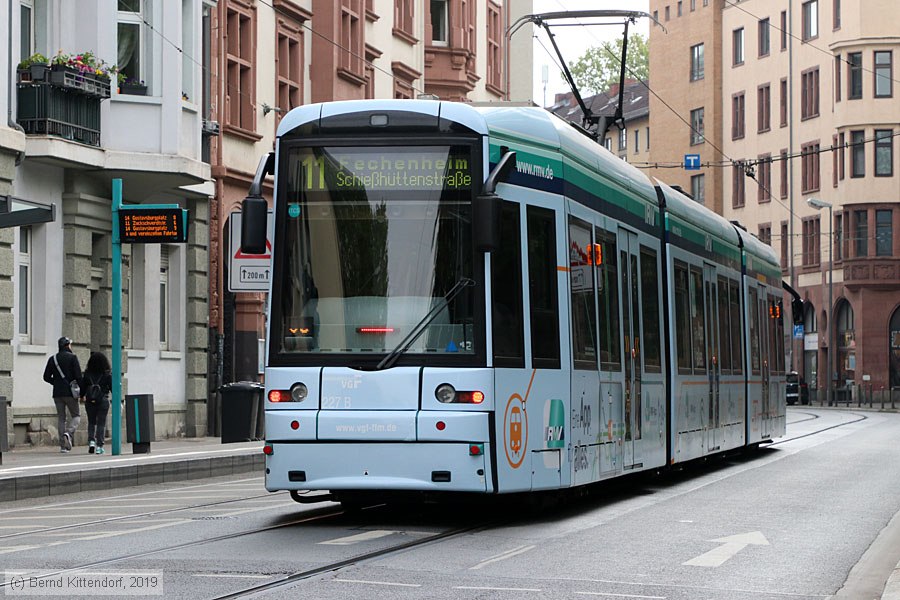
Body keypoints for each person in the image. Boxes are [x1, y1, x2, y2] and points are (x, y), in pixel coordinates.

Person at [43, 337, 83, 453]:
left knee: (61, 418)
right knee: (76, 415)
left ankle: (62, 446)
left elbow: (46, 377)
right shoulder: (73, 358)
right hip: (70, 393)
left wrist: (55, 382)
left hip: (57, 393)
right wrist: (82, 391)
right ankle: (69, 433)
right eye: (70, 344)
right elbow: (79, 376)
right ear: (67, 345)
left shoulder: (53, 359)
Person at [80, 352, 112, 455]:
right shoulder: (106, 374)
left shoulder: (87, 374)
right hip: (103, 400)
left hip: (89, 400)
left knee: (91, 422)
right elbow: (112, 387)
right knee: (101, 423)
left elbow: (82, 388)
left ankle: (91, 442)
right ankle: (99, 446)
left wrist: (81, 396)